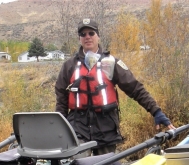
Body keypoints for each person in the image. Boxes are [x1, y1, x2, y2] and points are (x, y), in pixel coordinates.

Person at [55, 18, 175, 157]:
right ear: (79, 38)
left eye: (91, 33)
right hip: (78, 127)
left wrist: (156, 111)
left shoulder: (111, 63)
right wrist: (60, 129)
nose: (87, 37)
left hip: (106, 127)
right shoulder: (69, 66)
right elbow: (61, 99)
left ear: (98, 36)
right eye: (83, 34)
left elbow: (135, 88)